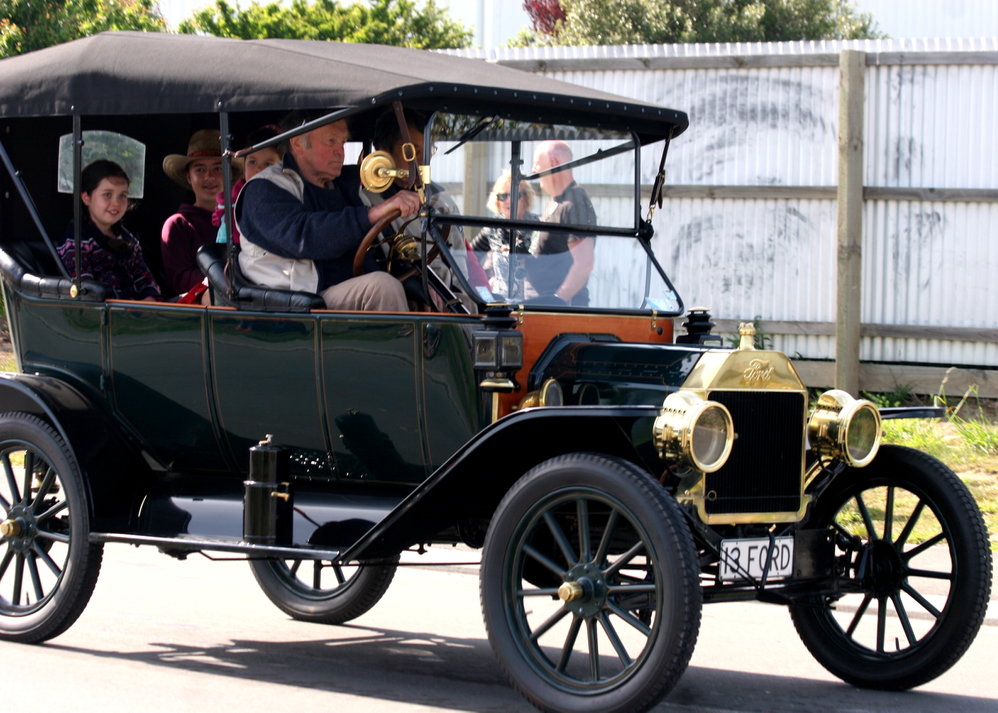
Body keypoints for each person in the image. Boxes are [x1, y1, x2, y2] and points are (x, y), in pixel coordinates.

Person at [235, 113, 418, 311]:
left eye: (343, 142)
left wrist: (416, 284)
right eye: (331, 141)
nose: (340, 152)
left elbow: (383, 244)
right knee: (382, 287)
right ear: (298, 144)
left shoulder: (344, 186)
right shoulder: (263, 190)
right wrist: (371, 214)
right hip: (296, 301)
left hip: (340, 290)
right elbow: (305, 236)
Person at [360, 108, 488, 307]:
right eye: (413, 151)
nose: (422, 160)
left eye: (428, 150)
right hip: (405, 298)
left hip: (451, 297)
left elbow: (461, 266)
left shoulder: (444, 202)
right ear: (385, 153)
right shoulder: (367, 202)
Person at [58, 160, 161, 301]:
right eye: (107, 194)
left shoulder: (127, 239)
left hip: (138, 313)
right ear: (86, 198)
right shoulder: (76, 241)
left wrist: (150, 299)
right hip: (103, 316)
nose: (116, 203)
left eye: (122, 195)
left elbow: (144, 277)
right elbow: (85, 292)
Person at [161, 129, 234, 296]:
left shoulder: (241, 219)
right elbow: (180, 282)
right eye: (200, 170)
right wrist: (229, 273)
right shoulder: (178, 224)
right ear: (188, 177)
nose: (209, 176)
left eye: (218, 168)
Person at [528, 140, 596, 306]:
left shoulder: (575, 203)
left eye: (537, 163)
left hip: (559, 313)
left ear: (553, 162)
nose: (533, 170)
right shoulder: (556, 202)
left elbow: (584, 264)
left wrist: (557, 301)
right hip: (539, 305)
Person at [471, 171, 538, 299]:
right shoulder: (492, 228)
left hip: (531, 303)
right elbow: (468, 260)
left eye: (514, 195)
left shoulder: (538, 226)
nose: (509, 201)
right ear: (497, 201)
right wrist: (485, 288)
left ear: (526, 199)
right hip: (500, 304)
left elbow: (546, 265)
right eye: (503, 196)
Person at [212, 124, 283, 244]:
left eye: (268, 164)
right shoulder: (231, 207)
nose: (258, 169)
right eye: (252, 162)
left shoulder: (290, 200)